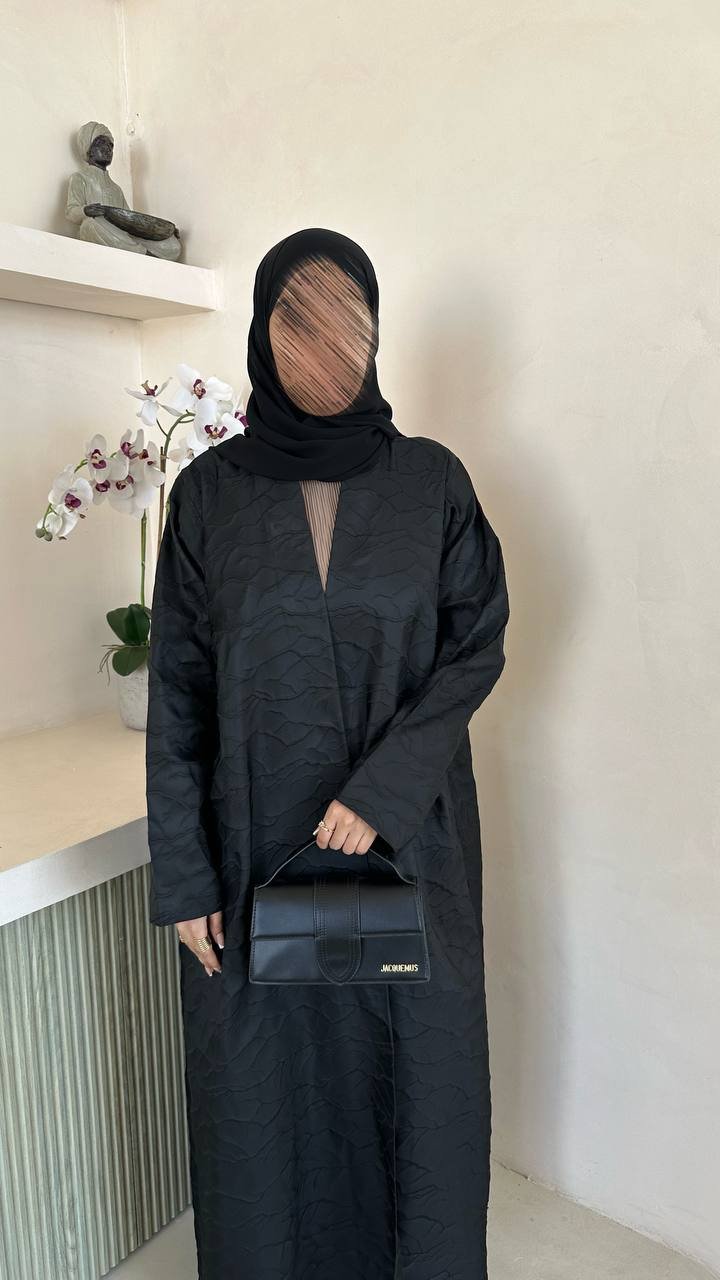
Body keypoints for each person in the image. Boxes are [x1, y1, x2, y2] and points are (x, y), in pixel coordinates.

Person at [145, 226, 510, 1280]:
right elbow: (178, 696)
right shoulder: (207, 497)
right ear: (262, 334)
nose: (321, 348)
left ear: (374, 333)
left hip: (406, 850)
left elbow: (476, 643)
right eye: (295, 322)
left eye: (343, 323)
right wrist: (186, 878)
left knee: (416, 1087)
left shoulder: (433, 483)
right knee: (272, 1101)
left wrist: (383, 791)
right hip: (257, 851)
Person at [65, 120, 181, 260]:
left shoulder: (116, 189)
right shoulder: (79, 178)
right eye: (102, 143)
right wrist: (85, 211)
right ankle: (143, 254)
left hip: (122, 236)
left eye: (110, 145)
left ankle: (141, 251)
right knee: (89, 225)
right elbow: (71, 212)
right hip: (100, 230)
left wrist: (164, 232)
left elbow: (129, 221)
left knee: (173, 245)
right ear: (89, 149)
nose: (108, 149)